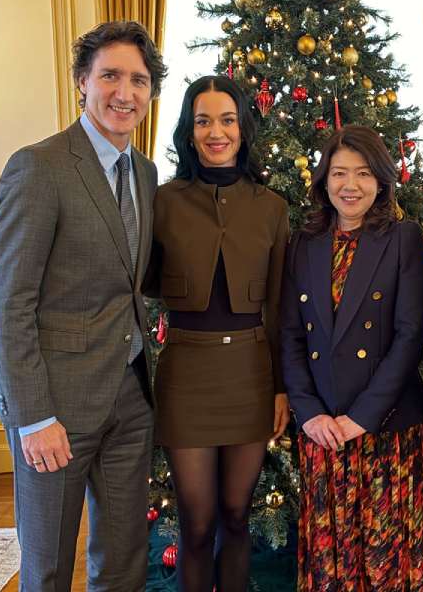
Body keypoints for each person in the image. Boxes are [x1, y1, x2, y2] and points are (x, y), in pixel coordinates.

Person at [0, 21, 166, 591]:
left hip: (130, 400)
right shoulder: (39, 167)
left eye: (138, 80)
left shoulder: (144, 172)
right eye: (110, 75)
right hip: (55, 406)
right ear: (81, 84)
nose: (125, 92)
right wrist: (35, 417)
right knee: (47, 565)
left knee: (122, 562)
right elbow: (9, 302)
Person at [142, 75, 289, 592]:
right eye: (203, 120)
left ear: (243, 129)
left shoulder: (271, 206)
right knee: (198, 523)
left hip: (250, 374)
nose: (215, 131)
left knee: (235, 515)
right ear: (189, 130)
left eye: (227, 119)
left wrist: (279, 386)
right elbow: (141, 282)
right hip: (187, 373)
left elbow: (277, 305)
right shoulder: (162, 201)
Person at [281, 124, 423, 590]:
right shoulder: (304, 242)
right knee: (335, 564)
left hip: (385, 430)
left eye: (364, 174)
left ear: (382, 181)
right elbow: (290, 335)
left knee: (389, 560)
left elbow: (411, 336)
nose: (350, 186)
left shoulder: (403, 237)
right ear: (324, 181)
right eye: (339, 174)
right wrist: (308, 414)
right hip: (324, 433)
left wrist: (362, 418)